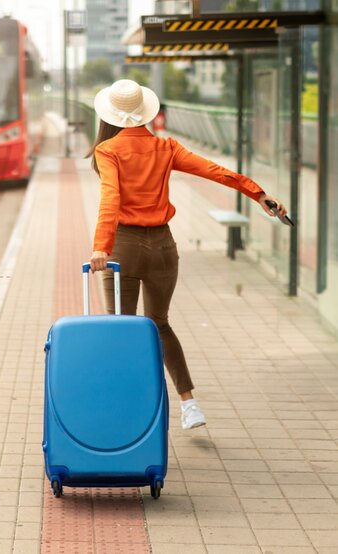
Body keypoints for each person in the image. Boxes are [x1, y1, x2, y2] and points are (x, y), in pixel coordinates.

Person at [86, 79, 287, 430]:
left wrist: (102, 246)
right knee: (159, 323)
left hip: (124, 248)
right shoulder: (166, 146)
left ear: (109, 116)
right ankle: (189, 404)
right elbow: (214, 171)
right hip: (163, 247)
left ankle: (126, 405)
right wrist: (258, 194)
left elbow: (111, 200)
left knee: (119, 328)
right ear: (145, 112)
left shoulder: (108, 150)